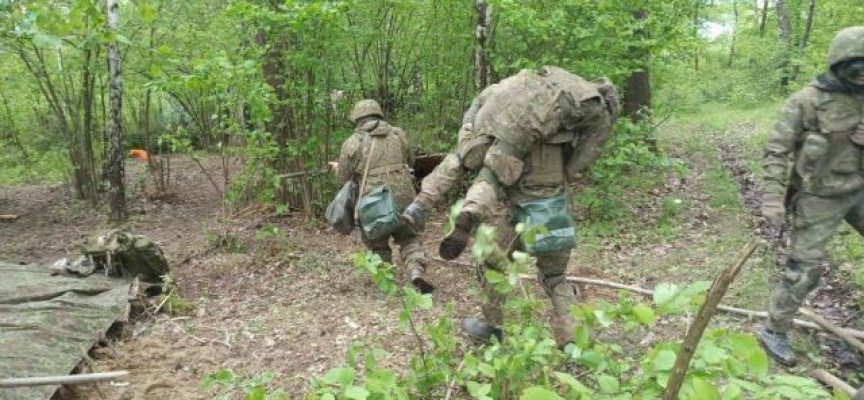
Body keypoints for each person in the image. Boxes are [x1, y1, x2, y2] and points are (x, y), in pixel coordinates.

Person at [422, 66, 619, 347]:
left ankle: (491, 326)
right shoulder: (568, 130)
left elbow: (497, 167)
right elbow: (577, 167)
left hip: (524, 213)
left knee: (494, 265)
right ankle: (573, 337)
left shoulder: (518, 129)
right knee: (555, 277)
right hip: (557, 209)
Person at [757, 26, 864, 366]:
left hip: (859, 188)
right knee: (804, 271)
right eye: (857, 66)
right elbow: (777, 151)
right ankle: (774, 330)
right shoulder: (807, 101)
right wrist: (772, 199)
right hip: (818, 196)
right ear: (840, 63)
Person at [337, 99, 434, 293]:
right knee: (408, 237)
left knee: (378, 243)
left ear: (357, 119)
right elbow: (410, 161)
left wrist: (339, 169)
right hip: (404, 197)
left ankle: (387, 280)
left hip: (374, 202)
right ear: (378, 114)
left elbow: (343, 179)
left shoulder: (352, 143)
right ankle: (416, 271)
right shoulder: (398, 134)